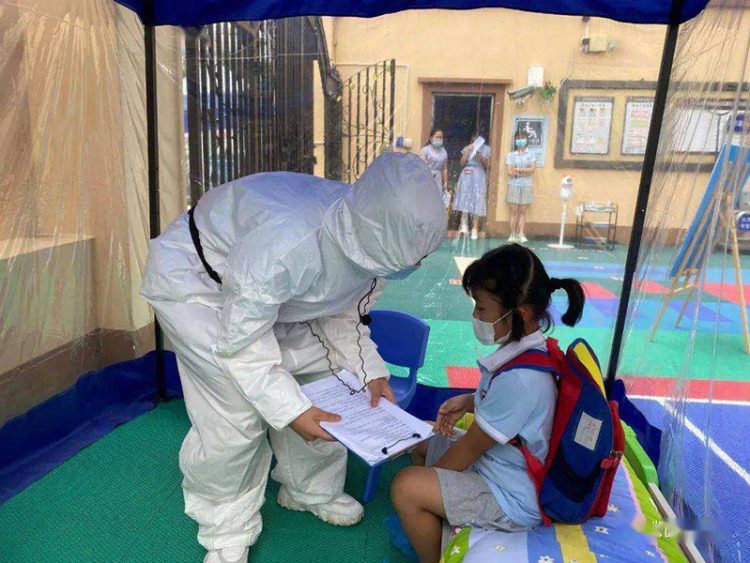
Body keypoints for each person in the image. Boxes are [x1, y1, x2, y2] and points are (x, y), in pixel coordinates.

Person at [140, 153, 447, 563]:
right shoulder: (287, 246)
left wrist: (370, 372)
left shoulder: (373, 236)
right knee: (235, 414)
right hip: (199, 286)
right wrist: (291, 411)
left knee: (329, 382)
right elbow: (241, 344)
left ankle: (310, 490)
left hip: (268, 294)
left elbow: (344, 312)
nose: (417, 265)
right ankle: (226, 526)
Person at [391, 244, 585, 563]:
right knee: (421, 436)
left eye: (481, 309)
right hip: (499, 464)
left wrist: (432, 482)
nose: (475, 317)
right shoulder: (528, 352)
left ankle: (433, 556)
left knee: (406, 486)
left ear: (520, 313)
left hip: (510, 496)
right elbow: (511, 411)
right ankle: (437, 519)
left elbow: (469, 449)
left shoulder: (521, 380)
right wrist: (469, 401)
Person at [453, 133, 491, 240]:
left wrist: (479, 155)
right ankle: (464, 224)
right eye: (473, 139)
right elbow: (462, 162)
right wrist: (468, 151)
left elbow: (487, 165)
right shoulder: (468, 147)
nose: (474, 141)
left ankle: (475, 228)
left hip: (478, 174)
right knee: (464, 197)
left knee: (477, 199)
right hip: (467, 174)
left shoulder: (486, 149)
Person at [506, 128, 537, 244]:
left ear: (526, 140)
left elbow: (532, 169)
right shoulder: (511, 155)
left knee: (523, 210)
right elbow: (510, 171)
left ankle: (521, 233)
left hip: (526, 185)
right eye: (518, 138)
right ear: (515, 141)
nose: (520, 140)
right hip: (513, 184)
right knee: (514, 211)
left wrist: (519, 170)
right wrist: (524, 171)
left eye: (522, 138)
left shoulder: (531, 154)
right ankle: (512, 234)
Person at [419, 127, 450, 209]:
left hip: (438, 179)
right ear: (431, 138)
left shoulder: (444, 152)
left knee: (436, 201)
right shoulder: (425, 150)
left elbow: (445, 168)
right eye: (437, 137)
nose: (439, 139)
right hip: (426, 177)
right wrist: (429, 173)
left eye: (441, 137)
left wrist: (445, 182)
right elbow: (422, 165)